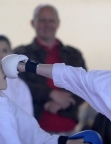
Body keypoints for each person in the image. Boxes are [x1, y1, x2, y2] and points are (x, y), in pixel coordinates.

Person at [14, 4, 86, 135]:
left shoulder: (74, 55)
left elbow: (84, 85)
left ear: (58, 23)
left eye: (51, 20)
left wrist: (63, 103)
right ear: (33, 23)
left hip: (70, 130)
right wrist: (51, 94)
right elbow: (16, 85)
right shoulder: (20, 54)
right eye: (42, 20)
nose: (47, 24)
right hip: (33, 131)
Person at [0, 34, 33, 115]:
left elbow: (27, 116)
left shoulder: (19, 85)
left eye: (4, 51)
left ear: (11, 54)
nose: (0, 54)